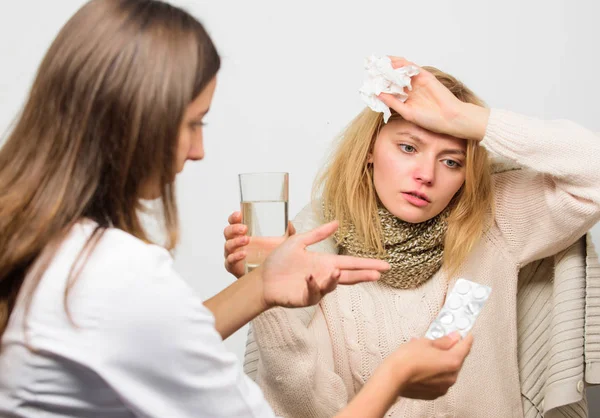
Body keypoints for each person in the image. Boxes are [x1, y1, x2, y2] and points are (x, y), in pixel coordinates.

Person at [0, 2, 475, 417]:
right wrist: (394, 376)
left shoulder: (47, 243)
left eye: (451, 159)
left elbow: (145, 338)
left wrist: (261, 286)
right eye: (192, 124)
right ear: (130, 124)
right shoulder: (117, 272)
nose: (198, 150)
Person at [224, 58, 600, 417]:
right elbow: (305, 409)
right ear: (370, 149)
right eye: (408, 148)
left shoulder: (493, 221)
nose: (426, 174)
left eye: (451, 160)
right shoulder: (319, 247)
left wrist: (469, 119)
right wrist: (263, 293)